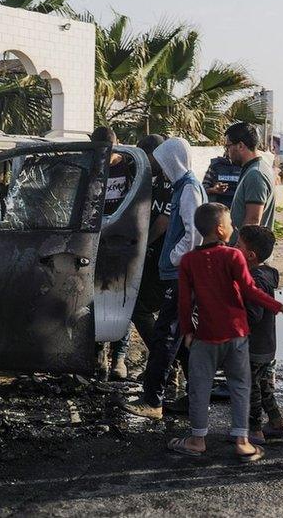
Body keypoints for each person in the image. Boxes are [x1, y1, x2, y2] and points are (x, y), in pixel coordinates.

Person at [167, 203, 283, 461]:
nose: (234, 228)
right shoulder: (233, 256)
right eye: (230, 224)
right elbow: (250, 290)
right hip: (237, 334)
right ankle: (242, 441)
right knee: (240, 385)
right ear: (220, 230)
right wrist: (281, 307)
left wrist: (188, 330)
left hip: (205, 335)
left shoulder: (189, 261)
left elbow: (185, 301)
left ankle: (197, 440)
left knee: (199, 387)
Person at [121, 137, 206, 418]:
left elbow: (194, 234)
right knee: (177, 335)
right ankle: (196, 396)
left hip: (179, 272)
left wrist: (173, 256)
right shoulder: (183, 187)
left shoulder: (188, 190)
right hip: (178, 272)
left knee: (165, 337)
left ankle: (153, 400)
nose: (157, 165)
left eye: (160, 160)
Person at [108, 134, 166, 381]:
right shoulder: (140, 172)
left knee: (137, 307)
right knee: (123, 301)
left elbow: (164, 221)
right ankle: (162, 365)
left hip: (153, 253)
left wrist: (142, 245)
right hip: (133, 247)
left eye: (147, 156)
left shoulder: (168, 180)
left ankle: (165, 364)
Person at [236, 225, 283, 444]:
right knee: (264, 384)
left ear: (250, 255)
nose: (233, 247)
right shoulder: (268, 272)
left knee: (251, 387)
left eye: (237, 245)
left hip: (254, 344)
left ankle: (255, 430)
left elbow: (253, 314)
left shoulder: (255, 280)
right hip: (267, 343)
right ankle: (277, 422)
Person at [90, 126, 128, 379]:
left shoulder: (129, 169)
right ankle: (98, 353)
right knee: (95, 298)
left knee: (120, 299)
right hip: (95, 241)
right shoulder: (92, 167)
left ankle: (119, 357)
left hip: (123, 242)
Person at [223, 122, 275, 245]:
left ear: (240, 146)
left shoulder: (255, 174)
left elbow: (253, 220)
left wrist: (237, 251)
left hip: (249, 256)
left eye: (228, 146)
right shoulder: (253, 169)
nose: (227, 152)